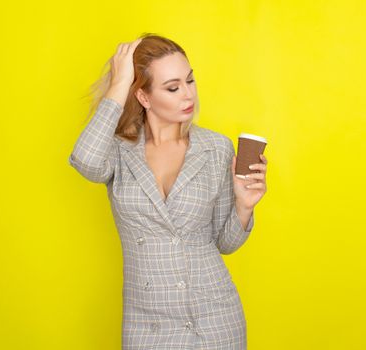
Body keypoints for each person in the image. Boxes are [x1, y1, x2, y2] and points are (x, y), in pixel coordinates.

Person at [69, 33, 268, 349]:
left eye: (190, 81)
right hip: (147, 322)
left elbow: (225, 242)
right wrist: (120, 85)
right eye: (173, 87)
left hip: (214, 318)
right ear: (144, 97)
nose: (188, 95)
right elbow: (84, 160)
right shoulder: (119, 151)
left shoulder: (216, 148)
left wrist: (244, 206)